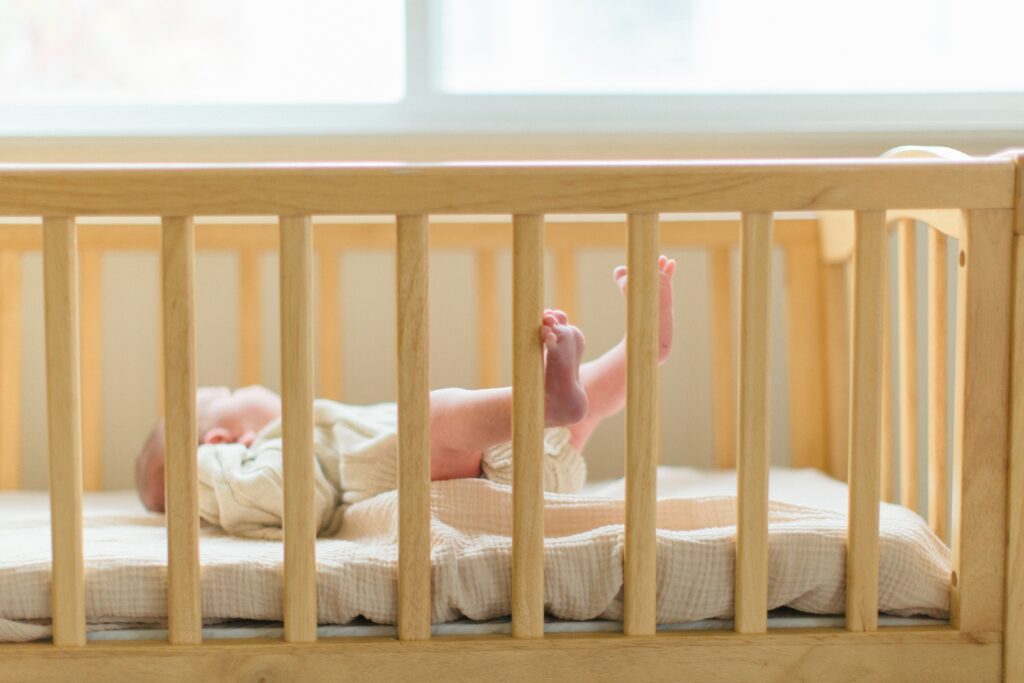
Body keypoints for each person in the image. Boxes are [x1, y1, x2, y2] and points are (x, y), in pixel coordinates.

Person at [135, 257, 676, 538]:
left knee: (455, 417)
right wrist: (205, 466)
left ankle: (631, 353)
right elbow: (294, 502)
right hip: (463, 483)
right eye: (227, 393)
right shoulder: (259, 456)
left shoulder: (292, 436)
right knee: (432, 416)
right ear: (221, 438)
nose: (245, 385)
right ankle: (553, 402)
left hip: (511, 468)